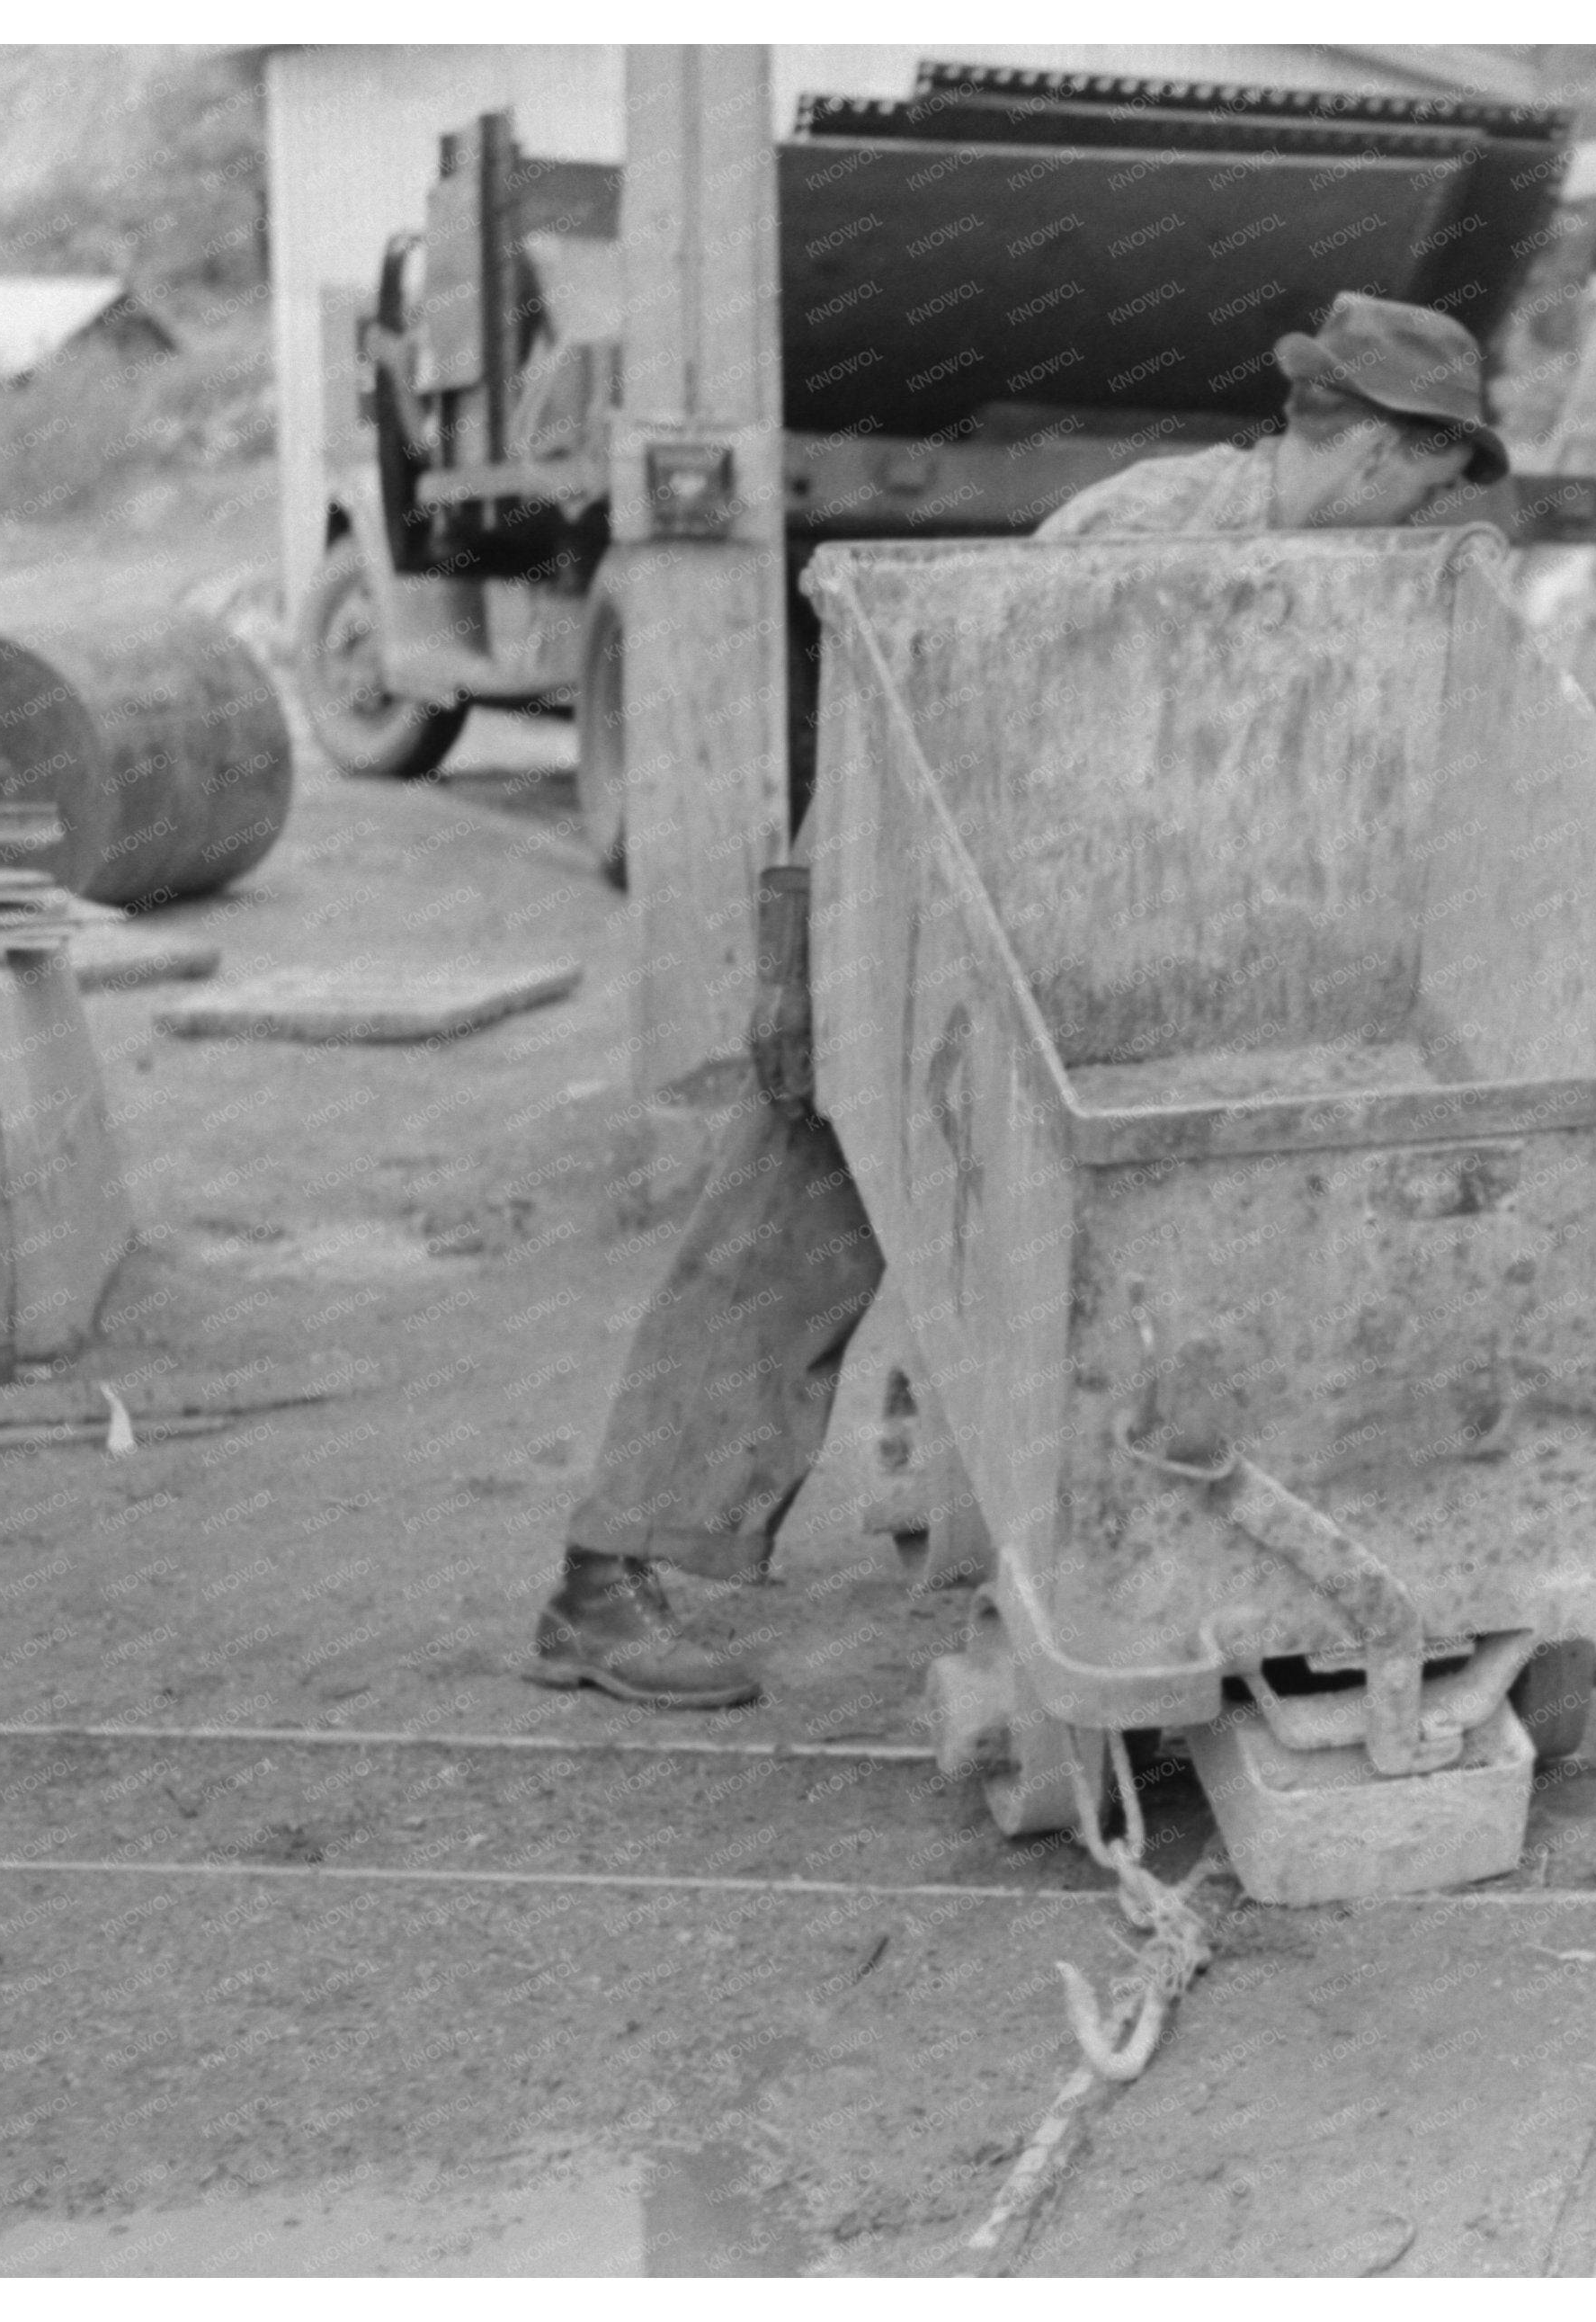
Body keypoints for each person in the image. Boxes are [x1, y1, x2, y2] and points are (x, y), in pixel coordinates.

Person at [528, 292, 1505, 1709]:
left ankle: (998, 1523)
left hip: (1050, 942)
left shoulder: (1312, 559)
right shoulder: (1147, 536)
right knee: (788, 1235)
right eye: (1427, 480)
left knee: (1038, 1238)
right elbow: (938, 731)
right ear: (1368, 450)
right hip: (911, 909)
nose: (1422, 518)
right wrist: (814, 961)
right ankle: (598, 1586)